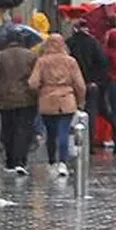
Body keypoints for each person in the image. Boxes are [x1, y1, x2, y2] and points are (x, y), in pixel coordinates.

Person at [28, 34, 86, 177]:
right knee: (64, 131)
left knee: (51, 133)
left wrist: (40, 92)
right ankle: (63, 163)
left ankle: (52, 161)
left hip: (47, 101)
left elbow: (32, 83)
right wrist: (80, 100)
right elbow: (80, 85)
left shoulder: (41, 61)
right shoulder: (71, 62)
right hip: (67, 100)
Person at [0, 32, 39, 174]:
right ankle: (21, 160)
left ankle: (10, 161)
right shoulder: (31, 56)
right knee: (24, 129)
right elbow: (36, 78)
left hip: (5, 99)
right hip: (27, 99)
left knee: (8, 128)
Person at [65, 20, 108, 148]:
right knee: (90, 113)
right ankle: (89, 144)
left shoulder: (69, 43)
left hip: (72, 85)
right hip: (90, 84)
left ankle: (73, 142)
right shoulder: (94, 43)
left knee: (72, 113)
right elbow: (103, 62)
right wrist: (97, 81)